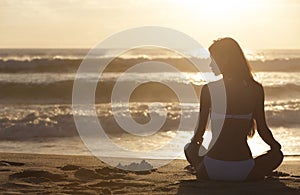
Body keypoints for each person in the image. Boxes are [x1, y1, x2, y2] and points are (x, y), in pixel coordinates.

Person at [184, 38, 283, 181]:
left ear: (226, 59)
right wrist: (275, 147)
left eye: (213, 59)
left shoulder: (208, 90)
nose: (210, 64)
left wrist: (196, 143)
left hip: (211, 170)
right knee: (277, 156)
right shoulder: (255, 89)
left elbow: (198, 134)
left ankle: (200, 167)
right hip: (244, 171)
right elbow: (263, 130)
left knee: (189, 147)